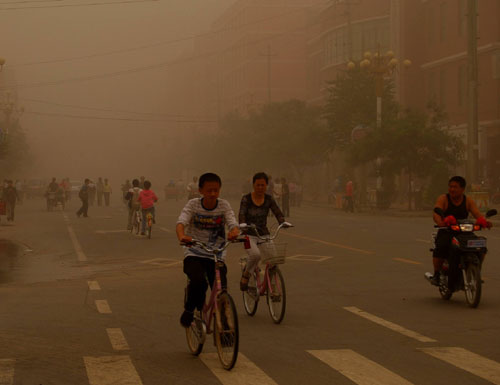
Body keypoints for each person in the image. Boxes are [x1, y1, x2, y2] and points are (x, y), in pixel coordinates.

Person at [176, 173, 240, 327]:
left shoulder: (224, 205)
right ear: (201, 190)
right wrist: (182, 236)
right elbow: (181, 222)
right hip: (194, 251)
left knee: (221, 290)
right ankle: (190, 310)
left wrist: (234, 232)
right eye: (209, 190)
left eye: (216, 190)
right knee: (198, 282)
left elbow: (232, 222)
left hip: (216, 254)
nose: (213, 194)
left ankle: (226, 330)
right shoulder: (193, 205)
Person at [429, 176, 491, 285]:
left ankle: (476, 272)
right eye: (450, 187)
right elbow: (436, 212)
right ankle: (437, 274)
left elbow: (477, 214)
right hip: (447, 231)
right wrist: (440, 222)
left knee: (481, 247)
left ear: (462, 189)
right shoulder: (443, 199)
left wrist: (483, 222)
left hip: (464, 232)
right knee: (441, 247)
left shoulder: (468, 201)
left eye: (455, 187)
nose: (452, 189)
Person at [238, 172, 285, 291]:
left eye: (262, 185)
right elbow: (242, 213)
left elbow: (277, 211)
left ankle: (272, 285)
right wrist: (242, 224)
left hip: (264, 234)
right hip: (249, 234)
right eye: (258, 185)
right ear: (253, 185)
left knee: (274, 260)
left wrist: (282, 221)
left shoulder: (269, 199)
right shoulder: (246, 198)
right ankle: (246, 273)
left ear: (267, 186)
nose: (260, 188)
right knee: (255, 255)